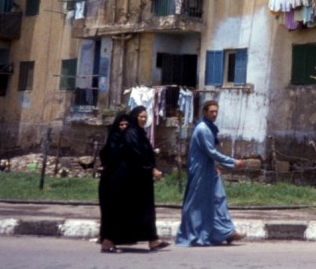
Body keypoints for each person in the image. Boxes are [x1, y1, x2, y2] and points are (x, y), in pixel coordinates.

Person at [175, 100, 246, 246]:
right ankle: (192, 234)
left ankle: (227, 232)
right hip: (200, 170)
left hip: (209, 168)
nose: (214, 114)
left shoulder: (209, 128)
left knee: (218, 198)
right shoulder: (202, 129)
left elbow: (210, 154)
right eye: (211, 111)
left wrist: (216, 165)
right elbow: (211, 151)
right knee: (196, 203)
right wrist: (232, 162)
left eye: (216, 112)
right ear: (205, 112)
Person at [98, 107, 167, 253]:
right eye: (141, 116)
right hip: (125, 179)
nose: (143, 119)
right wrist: (151, 169)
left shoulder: (138, 133)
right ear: (135, 117)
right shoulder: (131, 134)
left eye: (145, 116)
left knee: (143, 210)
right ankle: (108, 241)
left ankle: (153, 240)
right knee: (121, 210)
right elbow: (137, 154)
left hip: (137, 179)